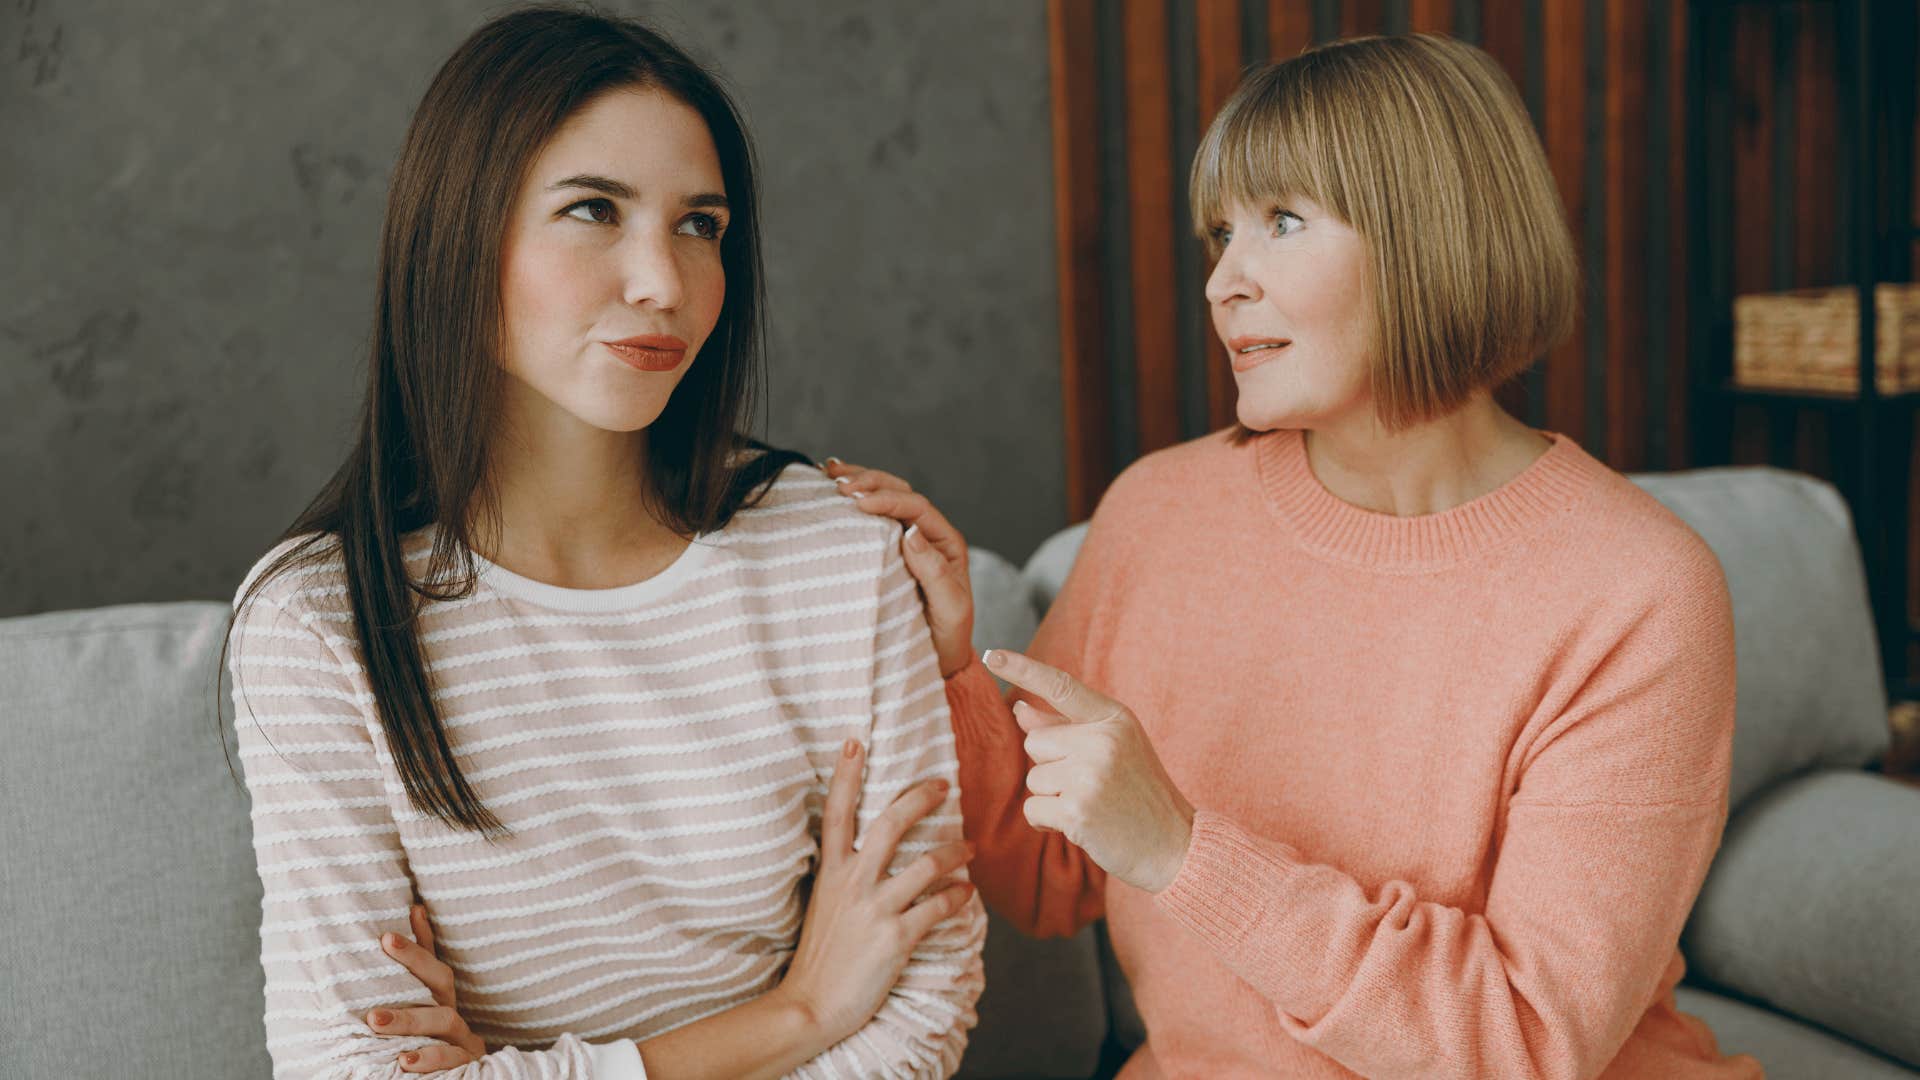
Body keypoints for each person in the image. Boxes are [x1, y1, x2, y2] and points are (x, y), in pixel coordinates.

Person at [836, 32, 1767, 1080]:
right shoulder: (1160, 514)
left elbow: (1525, 1041)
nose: (1224, 283)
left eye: (1282, 222)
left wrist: (1187, 854)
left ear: (1434, 236)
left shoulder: (1636, 589)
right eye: (1220, 234)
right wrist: (953, 665)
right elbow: (1047, 871)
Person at [225, 7, 984, 1078]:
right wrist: (799, 1016)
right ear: (459, 236)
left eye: (700, 225)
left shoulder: (834, 550)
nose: (664, 283)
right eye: (594, 210)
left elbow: (925, 1001)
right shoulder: (320, 623)